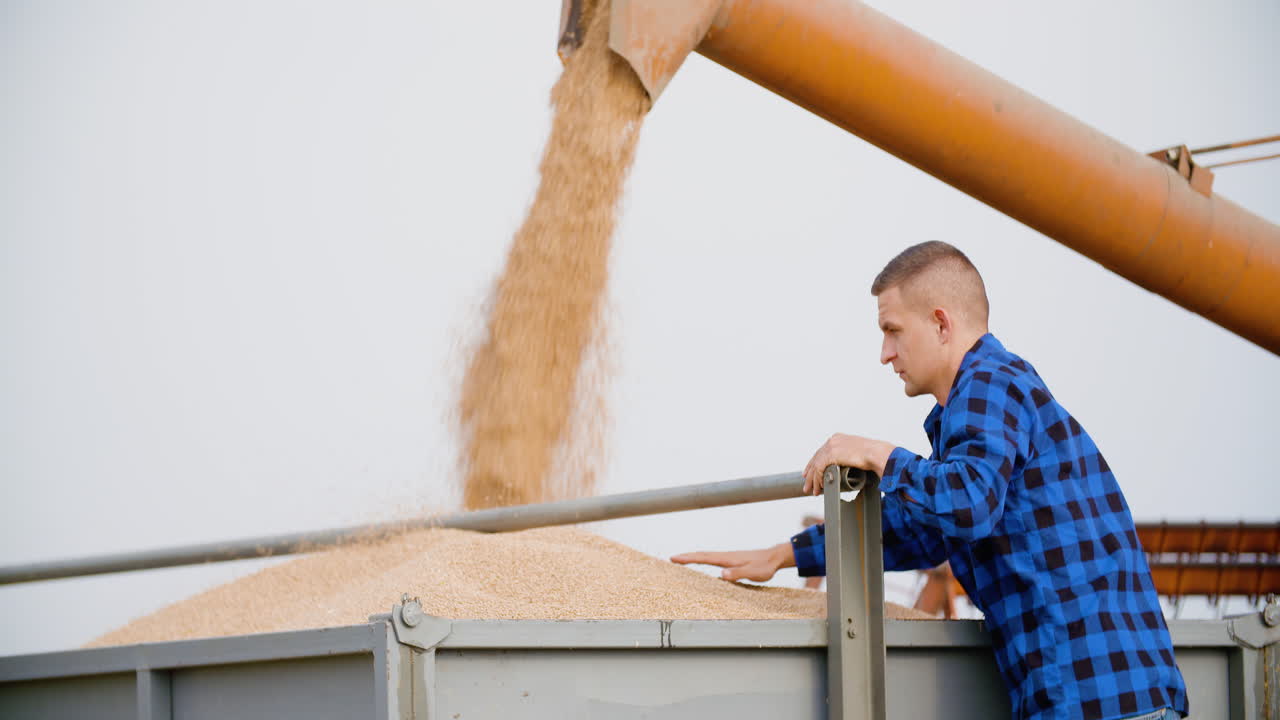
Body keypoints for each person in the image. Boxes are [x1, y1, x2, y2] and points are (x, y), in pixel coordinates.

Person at [672, 241, 1187, 720]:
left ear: (941, 324)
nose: (884, 353)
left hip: (1102, 698)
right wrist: (781, 555)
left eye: (892, 330)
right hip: (1097, 696)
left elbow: (968, 502)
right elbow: (917, 529)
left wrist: (878, 454)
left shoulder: (989, 384)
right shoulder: (983, 404)